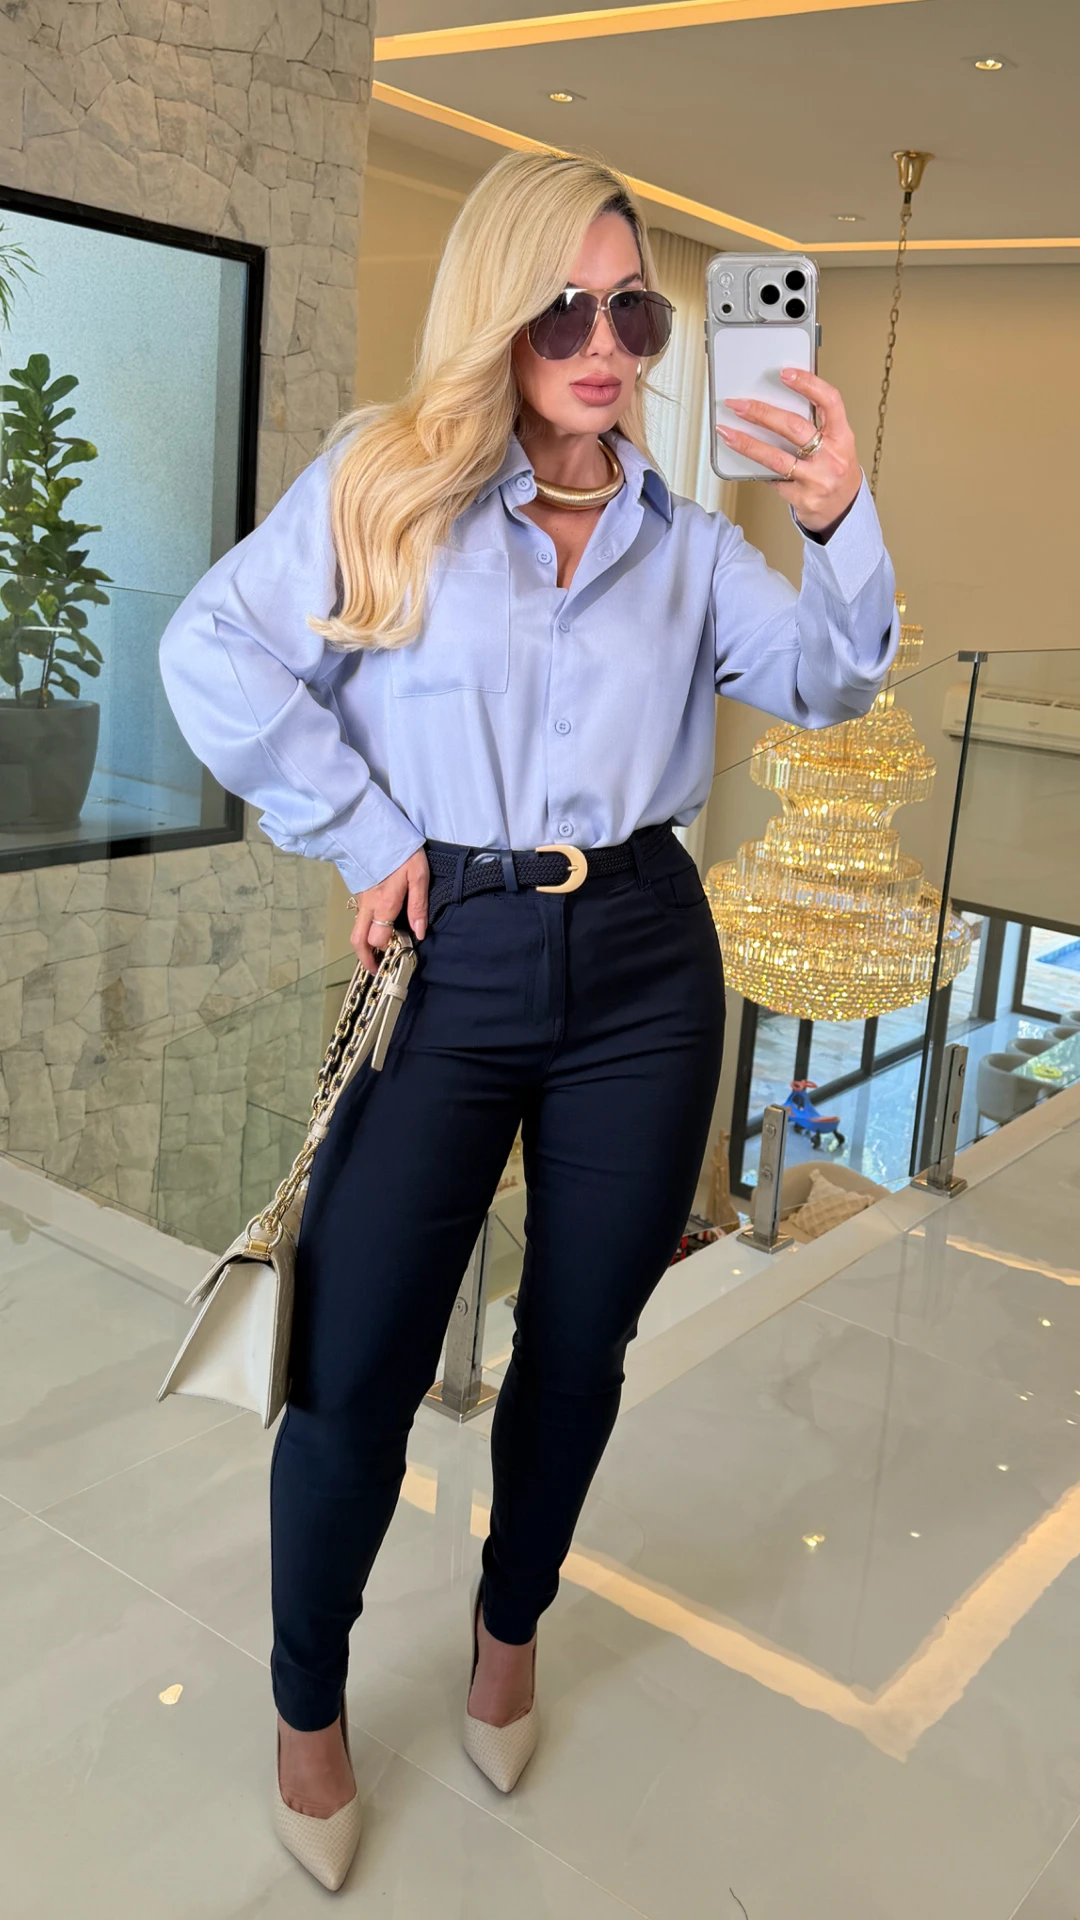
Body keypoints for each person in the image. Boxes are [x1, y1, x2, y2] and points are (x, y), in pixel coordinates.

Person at [158, 148, 898, 1891]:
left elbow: (831, 680)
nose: (605, 344)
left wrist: (836, 520)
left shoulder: (691, 548)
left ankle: (511, 1625)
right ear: (498, 315)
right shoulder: (389, 486)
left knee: (581, 1344)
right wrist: (365, 830)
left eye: (635, 313)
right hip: (455, 945)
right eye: (564, 309)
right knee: (356, 1360)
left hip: (645, 957)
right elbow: (213, 652)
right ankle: (309, 1699)